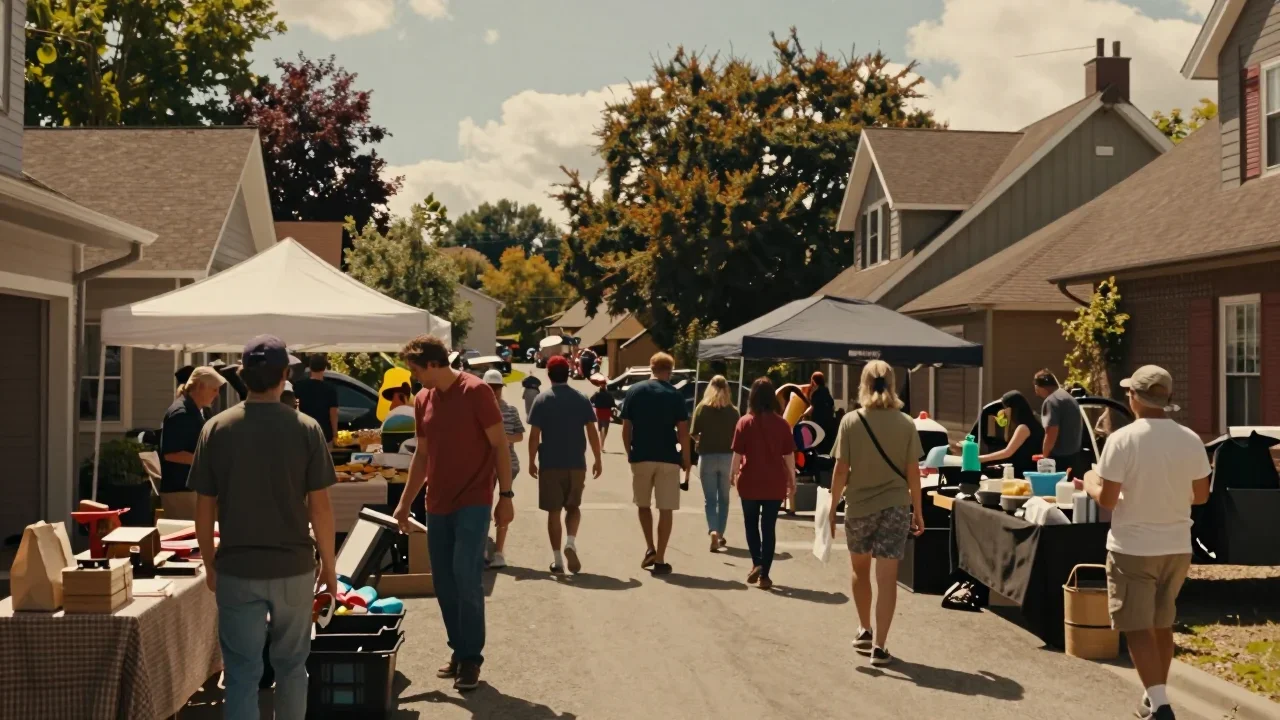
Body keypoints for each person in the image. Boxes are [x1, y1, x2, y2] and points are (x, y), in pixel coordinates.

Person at [189, 335, 338, 720]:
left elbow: (203, 509)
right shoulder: (306, 428)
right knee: (291, 667)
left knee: (241, 673)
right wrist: (331, 566)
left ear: (241, 375)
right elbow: (320, 508)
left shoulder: (216, 429)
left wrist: (209, 563)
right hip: (293, 568)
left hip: (238, 569)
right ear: (285, 375)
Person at [1086, 366, 1210, 720]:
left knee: (1137, 626)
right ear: (1167, 398)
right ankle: (1153, 695)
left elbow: (1107, 500)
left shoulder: (1121, 440)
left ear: (1134, 397)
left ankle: (1160, 705)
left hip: (1134, 546)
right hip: (1176, 545)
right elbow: (1200, 496)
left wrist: (1090, 480)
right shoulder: (1190, 439)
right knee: (1161, 624)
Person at [392, 334, 514, 692]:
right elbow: (422, 455)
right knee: (443, 581)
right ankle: (459, 650)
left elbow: (500, 446)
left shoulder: (476, 392)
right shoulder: (422, 399)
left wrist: (505, 495)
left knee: (465, 574)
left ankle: (472, 658)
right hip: (436, 503)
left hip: (474, 500)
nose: (413, 377)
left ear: (432, 363)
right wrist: (404, 501)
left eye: (415, 370)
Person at [828, 361, 924, 667]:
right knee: (888, 578)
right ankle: (880, 646)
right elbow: (913, 472)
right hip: (896, 506)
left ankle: (864, 629)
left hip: (859, 506)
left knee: (860, 570)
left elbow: (841, 469)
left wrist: (831, 508)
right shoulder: (906, 423)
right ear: (893, 384)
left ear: (863, 384)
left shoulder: (851, 422)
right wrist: (918, 511)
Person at [528, 356, 602, 573]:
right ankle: (570, 541)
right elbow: (592, 432)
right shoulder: (581, 399)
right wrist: (598, 458)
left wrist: (532, 460)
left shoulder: (542, 400)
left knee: (553, 511)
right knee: (573, 507)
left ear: (548, 375)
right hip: (576, 463)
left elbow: (534, 435)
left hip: (550, 464)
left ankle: (558, 559)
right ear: (568, 373)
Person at [619, 352, 690, 575]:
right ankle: (660, 557)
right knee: (666, 508)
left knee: (643, 504)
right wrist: (686, 458)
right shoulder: (675, 395)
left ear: (651, 367)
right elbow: (683, 431)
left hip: (642, 455)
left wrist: (629, 451)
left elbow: (626, 427)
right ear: (669, 370)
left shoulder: (634, 392)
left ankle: (649, 545)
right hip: (668, 457)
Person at [729, 377, 794, 589]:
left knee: (750, 524)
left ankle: (756, 562)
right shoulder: (783, 424)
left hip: (749, 481)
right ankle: (765, 574)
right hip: (774, 483)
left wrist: (732, 475)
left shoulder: (744, 422)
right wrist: (792, 479)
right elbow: (788, 456)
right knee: (769, 528)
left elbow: (737, 454)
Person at [159, 366, 227, 519]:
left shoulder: (194, 410)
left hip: (190, 490)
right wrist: (208, 460)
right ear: (201, 386)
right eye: (214, 389)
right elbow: (171, 454)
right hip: (180, 492)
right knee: (188, 540)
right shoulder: (181, 413)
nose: (217, 394)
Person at [689, 375, 740, 552]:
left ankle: (713, 529)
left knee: (710, 499)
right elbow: (738, 438)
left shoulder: (701, 408)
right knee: (724, 499)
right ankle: (720, 533)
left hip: (707, 456)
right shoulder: (734, 411)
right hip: (727, 457)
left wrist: (700, 439)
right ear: (727, 389)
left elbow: (693, 433)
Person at [483, 369, 525, 570]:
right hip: (485, 464)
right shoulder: (477, 410)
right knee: (483, 505)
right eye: (491, 388)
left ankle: (499, 551)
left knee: (504, 504)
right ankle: (483, 547)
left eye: (497, 388)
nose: (494, 392)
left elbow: (520, 435)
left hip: (508, 463)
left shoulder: (510, 410)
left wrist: (504, 439)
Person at [976, 390, 1045, 478]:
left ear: (1014, 409)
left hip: (1021, 471)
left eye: (1005, 409)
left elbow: (1007, 452)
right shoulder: (1036, 421)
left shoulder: (1023, 428)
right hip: (1031, 468)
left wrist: (980, 459)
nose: (1004, 412)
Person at [1033, 369, 1085, 477]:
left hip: (1059, 460)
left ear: (1041, 386)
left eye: (1036, 388)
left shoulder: (1051, 401)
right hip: (1074, 457)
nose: (1036, 393)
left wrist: (1045, 457)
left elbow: (1051, 431)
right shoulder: (1069, 398)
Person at [293, 354, 339, 445]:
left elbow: (295, 408)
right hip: (325, 434)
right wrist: (335, 434)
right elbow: (333, 413)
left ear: (310, 367)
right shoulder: (330, 389)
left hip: (304, 431)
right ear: (324, 367)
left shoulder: (298, 386)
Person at [589, 381, 617, 446]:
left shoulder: (597, 393)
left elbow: (591, 400)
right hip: (607, 411)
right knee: (605, 426)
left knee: (600, 426)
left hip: (599, 411)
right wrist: (615, 408)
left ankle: (601, 441)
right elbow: (612, 403)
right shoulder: (609, 394)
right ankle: (602, 442)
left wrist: (594, 404)